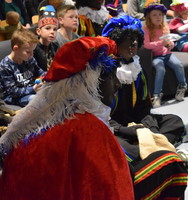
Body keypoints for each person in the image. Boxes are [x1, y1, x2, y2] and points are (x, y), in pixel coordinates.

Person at [0, 36, 135, 199]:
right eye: (111, 77)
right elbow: (114, 191)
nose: (118, 84)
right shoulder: (89, 128)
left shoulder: (39, 121)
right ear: (89, 82)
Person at [102, 14, 188, 199]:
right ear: (116, 41)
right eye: (128, 39)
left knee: (175, 121)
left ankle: (155, 146)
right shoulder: (106, 74)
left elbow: (144, 107)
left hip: (136, 122)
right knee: (124, 150)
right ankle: (162, 150)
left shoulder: (137, 68)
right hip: (115, 129)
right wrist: (129, 131)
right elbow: (102, 117)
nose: (133, 43)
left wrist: (149, 127)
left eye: (136, 38)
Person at [143, 4, 188, 107]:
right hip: (156, 56)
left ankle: (182, 86)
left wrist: (170, 44)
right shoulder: (146, 29)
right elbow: (146, 45)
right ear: (149, 17)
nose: (158, 17)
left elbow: (170, 43)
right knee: (160, 69)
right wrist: (161, 43)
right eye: (154, 15)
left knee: (179, 65)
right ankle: (157, 95)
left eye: (160, 15)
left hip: (167, 54)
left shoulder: (164, 27)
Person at [0, 29, 45, 107]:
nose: (32, 54)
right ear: (16, 49)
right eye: (28, 52)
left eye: (33, 51)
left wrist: (51, 75)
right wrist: (33, 89)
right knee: (38, 100)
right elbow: (13, 92)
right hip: (16, 98)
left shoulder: (29, 59)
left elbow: (40, 72)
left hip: (32, 89)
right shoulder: (5, 66)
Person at [33, 5, 59, 72]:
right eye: (48, 28)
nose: (52, 32)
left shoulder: (55, 45)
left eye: (55, 29)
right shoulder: (33, 48)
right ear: (38, 31)